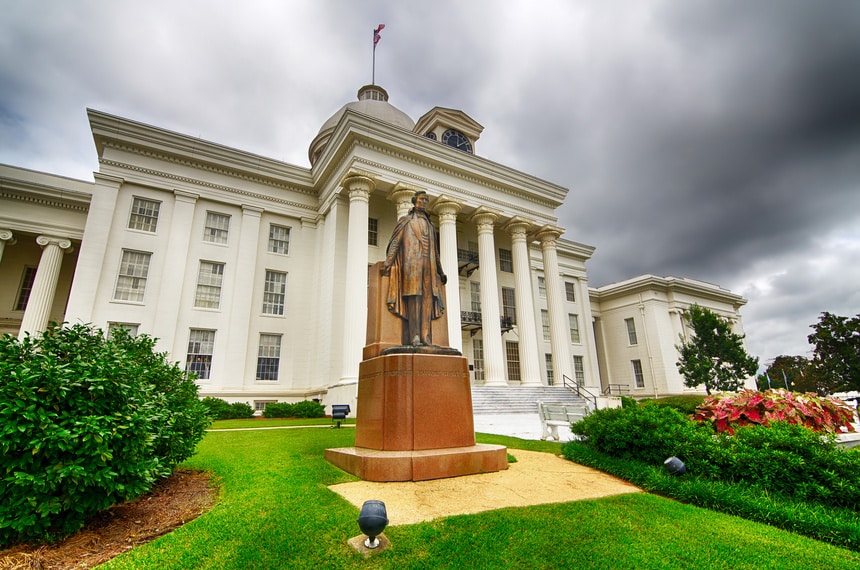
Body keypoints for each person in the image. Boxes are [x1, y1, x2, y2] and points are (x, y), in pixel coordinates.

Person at [381, 190, 448, 346]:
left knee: (427, 303)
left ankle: (426, 337)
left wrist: (441, 271)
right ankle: (415, 337)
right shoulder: (406, 221)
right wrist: (388, 262)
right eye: (421, 199)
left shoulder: (431, 226)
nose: (424, 202)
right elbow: (395, 243)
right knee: (414, 301)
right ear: (414, 201)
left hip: (429, 269)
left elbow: (435, 252)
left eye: (426, 200)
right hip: (412, 268)